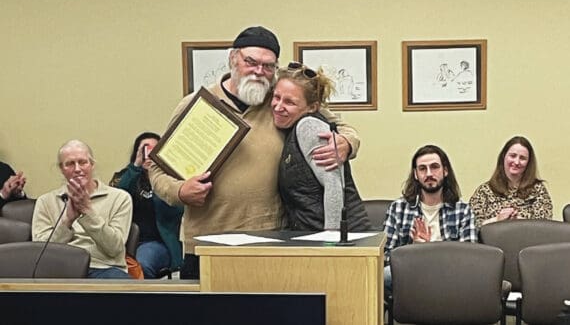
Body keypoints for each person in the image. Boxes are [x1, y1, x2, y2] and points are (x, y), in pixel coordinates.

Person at [149, 26, 360, 279]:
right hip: (207, 242)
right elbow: (156, 167)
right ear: (232, 59)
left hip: (271, 238)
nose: (259, 71)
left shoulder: (280, 100)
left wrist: (347, 144)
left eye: (268, 66)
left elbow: (343, 127)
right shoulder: (197, 104)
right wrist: (180, 191)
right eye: (251, 62)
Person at [273, 62, 370, 231]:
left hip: (340, 240)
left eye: (290, 102)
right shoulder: (293, 127)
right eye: (276, 97)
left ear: (312, 107)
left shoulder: (309, 127)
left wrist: (331, 242)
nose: (278, 106)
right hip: (313, 233)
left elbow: (334, 186)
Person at [32, 140, 132, 279]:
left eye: (83, 162)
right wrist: (67, 221)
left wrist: (88, 212)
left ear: (92, 165)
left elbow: (115, 249)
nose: (77, 169)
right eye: (70, 164)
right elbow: (42, 254)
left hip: (103, 268)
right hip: (60, 269)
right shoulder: (45, 201)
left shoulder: (120, 198)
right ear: (61, 168)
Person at [383, 145, 477, 292]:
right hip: (410, 274)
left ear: (445, 171)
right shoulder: (398, 208)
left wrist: (429, 252)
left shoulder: (463, 211)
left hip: (450, 275)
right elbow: (385, 255)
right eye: (422, 169)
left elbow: (469, 257)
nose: (428, 173)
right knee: (384, 275)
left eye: (434, 167)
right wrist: (413, 250)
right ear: (415, 174)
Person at [110, 132, 184, 278]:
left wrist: (156, 175)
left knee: (143, 265)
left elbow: (175, 210)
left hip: (157, 242)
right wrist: (136, 166)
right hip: (123, 243)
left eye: (154, 151)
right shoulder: (126, 176)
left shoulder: (172, 181)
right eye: (144, 150)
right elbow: (115, 200)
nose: (148, 155)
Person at [469, 136, 553, 228]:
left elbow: (545, 227)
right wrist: (497, 220)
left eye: (522, 158)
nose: (517, 162)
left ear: (528, 162)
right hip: (492, 241)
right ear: (503, 157)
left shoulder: (538, 190)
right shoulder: (484, 191)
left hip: (529, 241)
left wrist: (519, 221)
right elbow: (471, 226)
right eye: (513, 156)